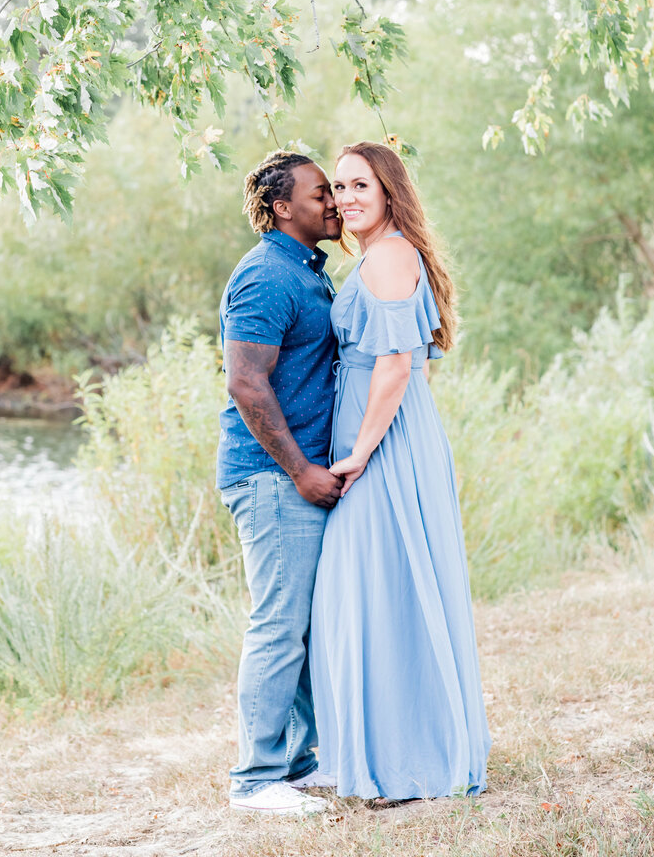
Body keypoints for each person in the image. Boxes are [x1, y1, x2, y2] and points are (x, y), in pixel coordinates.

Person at [310, 141, 491, 802]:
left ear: (388, 191)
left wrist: (358, 451)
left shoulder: (388, 257)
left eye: (360, 184)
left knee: (374, 588)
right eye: (339, 186)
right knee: (383, 588)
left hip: (384, 442)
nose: (346, 197)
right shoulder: (384, 254)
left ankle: (402, 760)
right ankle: (391, 753)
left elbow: (392, 365)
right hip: (387, 434)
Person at [217, 150, 344, 816]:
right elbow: (244, 381)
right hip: (272, 479)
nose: (334, 202)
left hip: (294, 477)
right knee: (277, 626)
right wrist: (300, 470)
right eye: (320, 193)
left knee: (304, 628)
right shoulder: (266, 275)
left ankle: (296, 766)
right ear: (281, 207)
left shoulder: (305, 272)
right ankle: (255, 780)